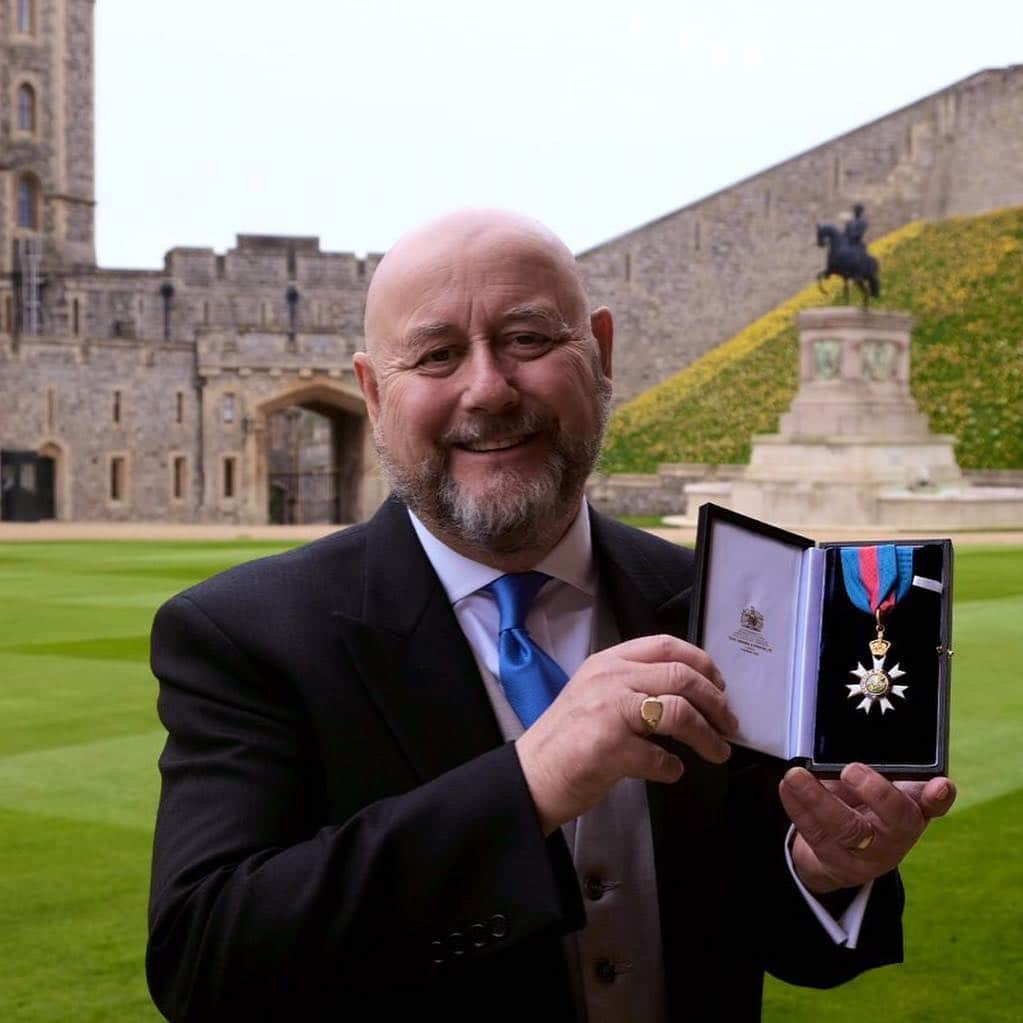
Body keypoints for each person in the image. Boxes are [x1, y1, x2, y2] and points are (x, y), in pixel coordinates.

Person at [146, 208, 955, 1022]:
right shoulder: (242, 635)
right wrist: (529, 782)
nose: (489, 389)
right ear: (370, 391)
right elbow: (204, 961)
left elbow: (767, 928)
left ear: (599, 353)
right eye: (435, 355)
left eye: (529, 339)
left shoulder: (722, 594)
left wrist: (823, 869)